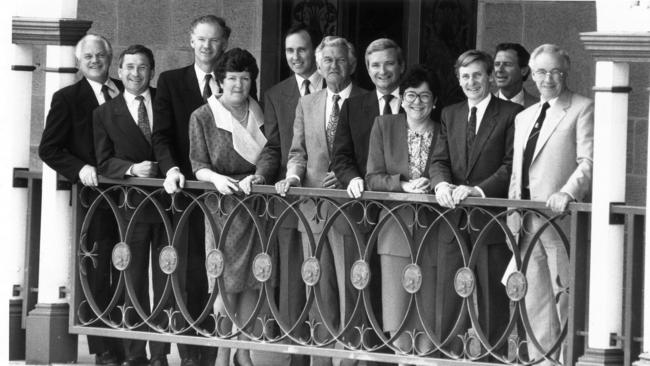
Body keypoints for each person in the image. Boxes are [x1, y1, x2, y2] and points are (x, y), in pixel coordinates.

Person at [275, 36, 366, 366]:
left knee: (351, 287)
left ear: (351, 64)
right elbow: (298, 152)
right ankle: (323, 356)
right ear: (319, 64)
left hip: (351, 209)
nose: (333, 66)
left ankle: (352, 358)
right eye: (327, 60)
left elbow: (371, 156)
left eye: (340, 60)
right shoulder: (308, 103)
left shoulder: (367, 102)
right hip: (311, 208)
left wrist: (349, 174)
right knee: (318, 286)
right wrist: (293, 177)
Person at [38, 33, 125, 366]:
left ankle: (130, 346)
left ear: (110, 55)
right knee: (98, 273)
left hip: (132, 198)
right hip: (95, 201)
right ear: (79, 61)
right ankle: (104, 350)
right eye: (87, 57)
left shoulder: (124, 89)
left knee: (127, 272)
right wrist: (81, 168)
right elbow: (49, 148)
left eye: (100, 55)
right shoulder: (67, 98)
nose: (94, 61)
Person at [429, 50, 522, 356]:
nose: (471, 82)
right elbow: (439, 159)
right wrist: (441, 183)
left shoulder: (510, 114)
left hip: (489, 221)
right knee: (448, 302)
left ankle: (492, 360)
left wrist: (477, 191)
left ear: (490, 77)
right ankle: (448, 358)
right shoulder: (449, 113)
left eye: (478, 75)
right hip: (453, 221)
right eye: (465, 76)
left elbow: (510, 166)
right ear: (458, 79)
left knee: (492, 306)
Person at [507, 44, 593, 365]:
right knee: (535, 299)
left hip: (559, 217)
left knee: (564, 296)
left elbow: (587, 161)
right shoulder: (524, 116)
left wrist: (568, 192)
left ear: (565, 72)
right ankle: (542, 361)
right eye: (541, 72)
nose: (548, 78)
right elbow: (518, 170)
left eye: (555, 71)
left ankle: (567, 360)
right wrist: (511, 213)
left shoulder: (582, 108)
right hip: (525, 219)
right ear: (532, 74)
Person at [152, 15, 231, 366]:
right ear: (190, 40)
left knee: (218, 272)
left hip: (221, 196)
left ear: (223, 43)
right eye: (201, 39)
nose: (206, 46)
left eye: (213, 40)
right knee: (185, 274)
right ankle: (189, 355)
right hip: (182, 193)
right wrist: (170, 168)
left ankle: (214, 353)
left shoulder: (233, 82)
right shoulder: (171, 81)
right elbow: (162, 135)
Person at [190, 48, 276, 366]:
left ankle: (244, 352)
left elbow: (272, 153)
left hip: (256, 208)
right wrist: (215, 179)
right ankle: (222, 355)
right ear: (220, 81)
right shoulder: (203, 116)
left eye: (245, 78)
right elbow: (197, 164)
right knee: (223, 289)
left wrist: (259, 175)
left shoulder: (262, 114)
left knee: (253, 284)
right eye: (232, 79)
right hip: (222, 210)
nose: (238, 85)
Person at [92, 44, 169, 366]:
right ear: (119, 71)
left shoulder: (165, 102)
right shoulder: (105, 113)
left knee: (167, 278)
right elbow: (102, 160)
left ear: (151, 70)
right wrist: (130, 170)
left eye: (142, 67)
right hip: (132, 206)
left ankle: (161, 353)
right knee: (133, 278)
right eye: (129, 67)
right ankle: (136, 353)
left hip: (169, 204)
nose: (135, 74)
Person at [258, 25, 323, 365]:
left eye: (302, 50)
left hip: (330, 201)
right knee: (292, 283)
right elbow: (274, 146)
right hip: (290, 200)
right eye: (290, 51)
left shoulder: (336, 87)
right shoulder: (276, 94)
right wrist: (262, 174)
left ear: (315, 51)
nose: (296, 57)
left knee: (327, 281)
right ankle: (295, 356)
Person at [365, 65, 439, 360]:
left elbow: (452, 170)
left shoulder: (444, 127)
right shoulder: (384, 125)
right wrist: (403, 186)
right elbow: (372, 177)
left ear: (435, 100)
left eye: (424, 95)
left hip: (435, 231)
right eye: (411, 95)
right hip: (395, 230)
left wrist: (433, 183)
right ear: (401, 98)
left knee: (428, 314)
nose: (417, 102)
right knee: (397, 316)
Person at [332, 38, 405, 199]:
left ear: (402, 66)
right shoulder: (352, 108)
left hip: (407, 200)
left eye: (389, 63)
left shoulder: (417, 105)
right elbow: (341, 156)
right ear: (368, 69)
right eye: (376, 65)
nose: (383, 71)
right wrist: (353, 178)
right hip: (362, 201)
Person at [493, 43, 537, 108]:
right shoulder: (482, 106)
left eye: (507, 64)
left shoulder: (539, 107)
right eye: (497, 64)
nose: (499, 70)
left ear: (524, 71)